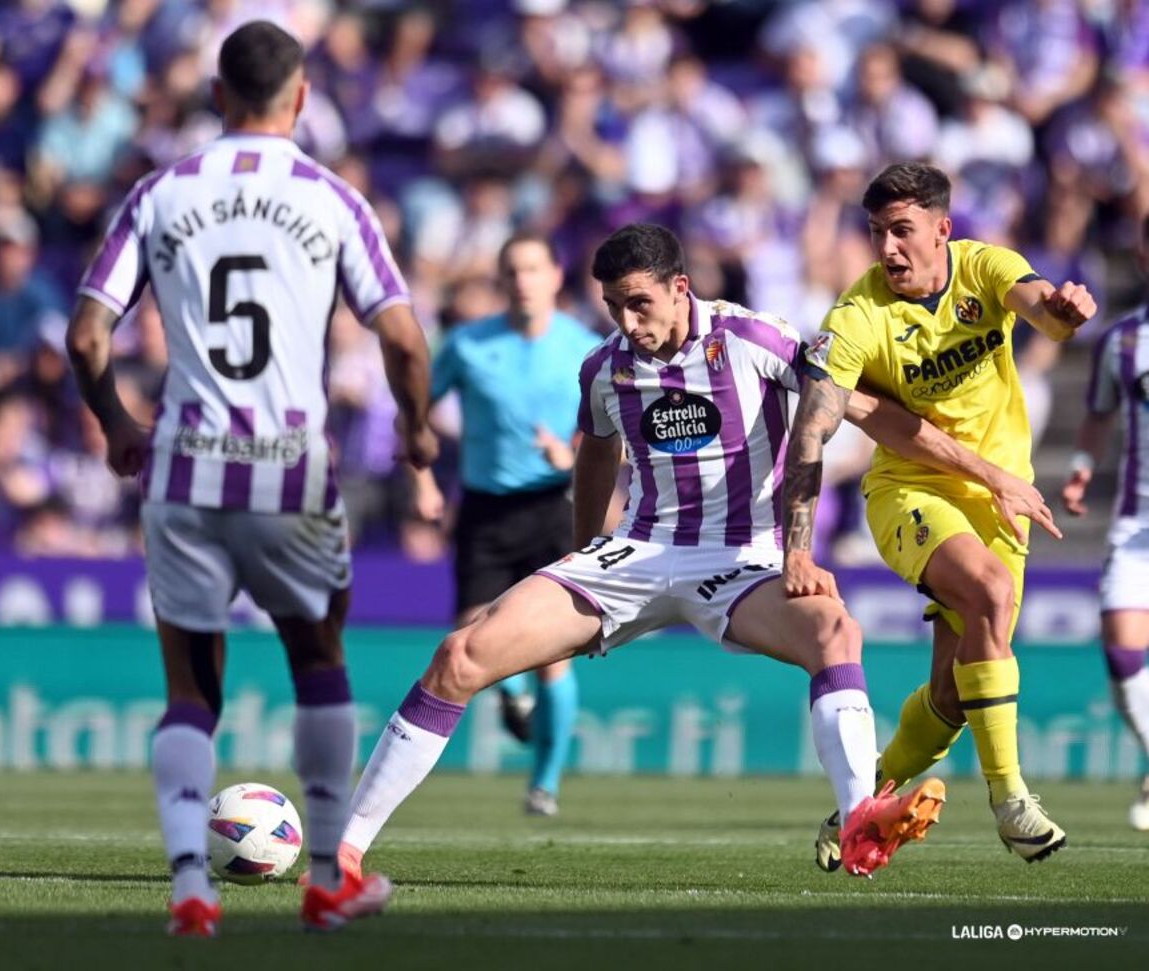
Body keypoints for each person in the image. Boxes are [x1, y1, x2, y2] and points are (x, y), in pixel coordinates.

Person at [325, 223, 1062, 895]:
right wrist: (583, 552)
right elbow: (596, 453)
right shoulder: (605, 366)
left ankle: (859, 819)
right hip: (636, 554)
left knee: (835, 632)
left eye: (638, 304)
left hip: (742, 561)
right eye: (613, 306)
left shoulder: (757, 339)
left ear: (681, 288)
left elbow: (869, 413)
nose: (626, 323)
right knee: (459, 654)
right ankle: (345, 856)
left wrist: (991, 474)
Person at [65, 21, 435, 936]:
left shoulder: (160, 192)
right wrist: (419, 430)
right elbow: (399, 334)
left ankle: (191, 885)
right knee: (318, 665)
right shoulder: (331, 196)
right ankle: (324, 877)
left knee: (191, 691)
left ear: (217, 95)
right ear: (302, 96)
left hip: (184, 471)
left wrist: (117, 423)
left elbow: (84, 332)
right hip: (290, 474)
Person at [785, 161, 1094, 871]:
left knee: (955, 695)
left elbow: (1043, 309)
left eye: (902, 230)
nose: (888, 247)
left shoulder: (984, 267)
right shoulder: (857, 317)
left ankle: (857, 811)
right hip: (910, 492)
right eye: (876, 233)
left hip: (999, 497)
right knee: (988, 588)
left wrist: (1065, 314)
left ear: (942, 230)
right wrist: (797, 544)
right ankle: (1011, 799)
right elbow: (815, 430)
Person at [414, 230, 600, 816]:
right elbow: (414, 408)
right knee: (471, 635)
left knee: (554, 655)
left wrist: (571, 458)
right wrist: (420, 478)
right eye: (511, 270)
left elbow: (612, 428)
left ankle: (544, 784)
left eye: (532, 268)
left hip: (553, 507)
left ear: (554, 277)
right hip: (485, 508)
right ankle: (510, 697)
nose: (522, 280)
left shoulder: (585, 346)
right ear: (501, 280)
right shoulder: (468, 345)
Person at [1061, 215, 1149, 831]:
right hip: (1136, 520)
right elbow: (1096, 415)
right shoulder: (1122, 341)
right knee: (1121, 645)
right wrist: (1082, 469)